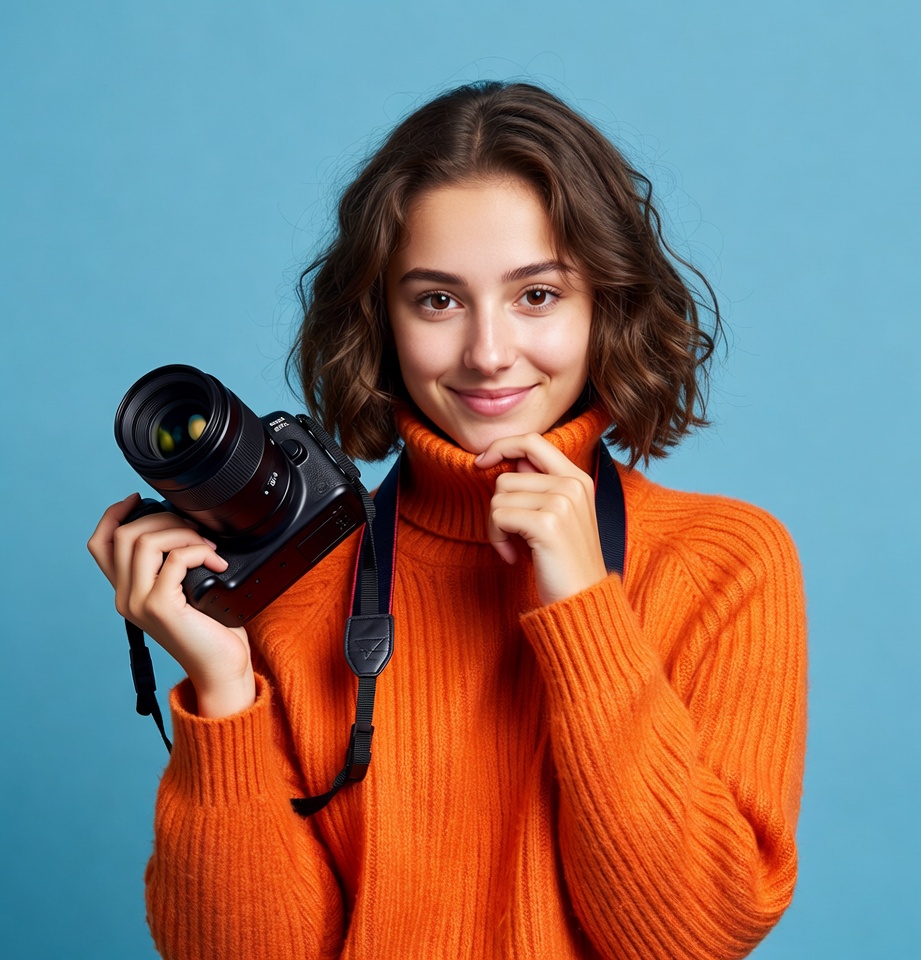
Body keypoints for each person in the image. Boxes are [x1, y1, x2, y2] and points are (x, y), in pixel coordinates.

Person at [89, 81, 806, 960]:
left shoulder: (723, 563)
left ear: (606, 305)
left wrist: (584, 609)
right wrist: (222, 685)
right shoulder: (297, 573)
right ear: (380, 320)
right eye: (438, 300)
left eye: (537, 295)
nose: (488, 352)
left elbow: (691, 934)